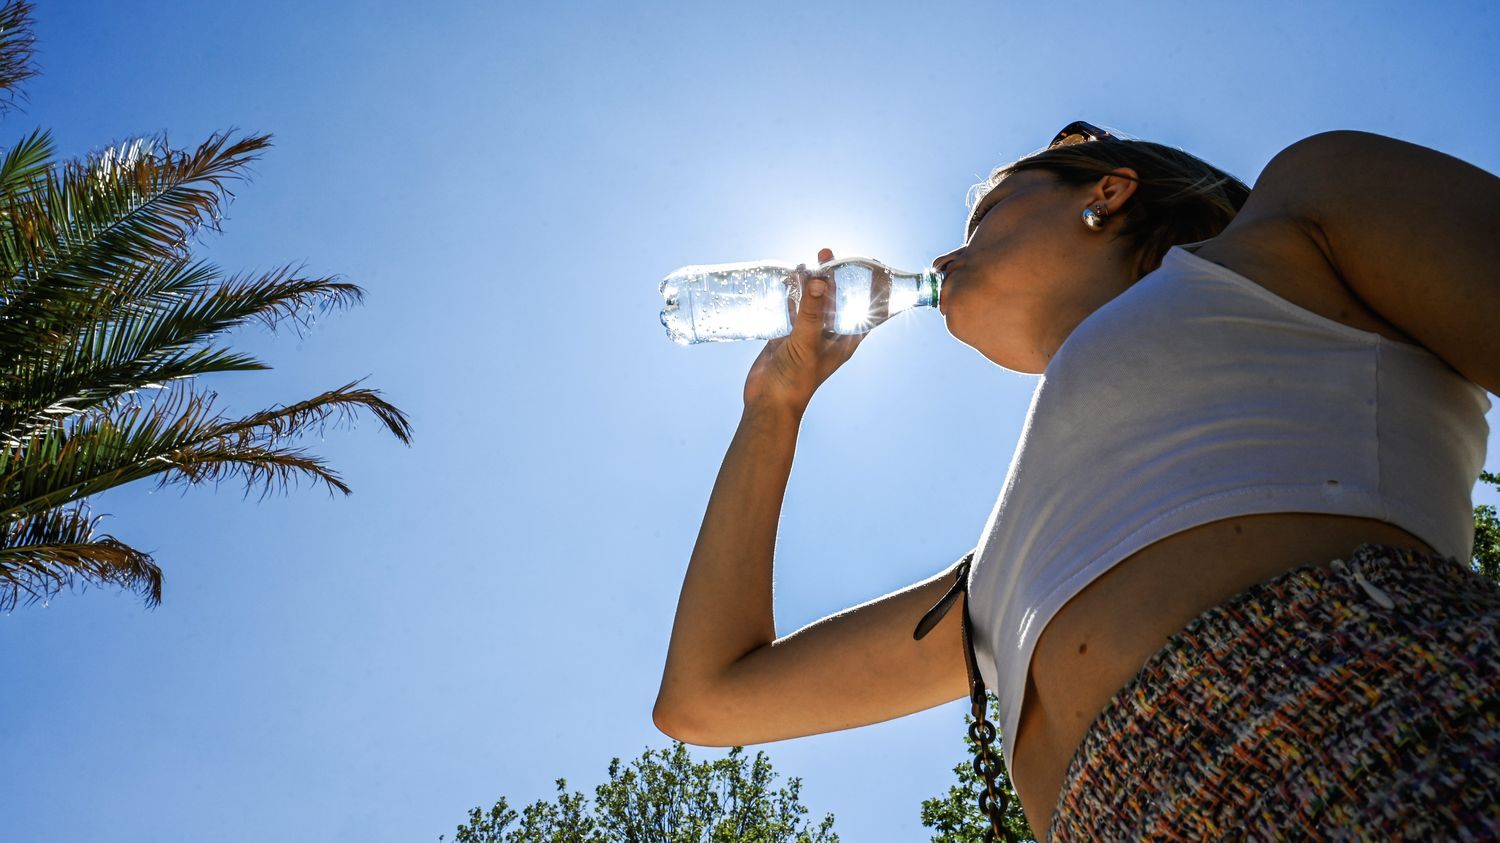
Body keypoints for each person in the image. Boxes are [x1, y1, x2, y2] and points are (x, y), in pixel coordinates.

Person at [652, 121, 1500, 840]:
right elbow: (707, 699)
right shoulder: (989, 586)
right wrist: (775, 405)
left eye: (983, 215)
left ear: (1108, 189)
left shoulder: (1298, 217)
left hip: (1393, 746)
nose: (950, 249)